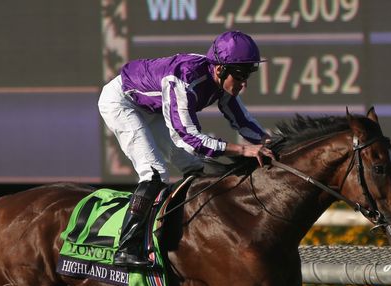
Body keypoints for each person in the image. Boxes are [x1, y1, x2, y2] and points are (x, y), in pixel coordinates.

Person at [98, 30, 274, 268]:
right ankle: (126, 248)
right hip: (121, 103)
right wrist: (244, 150)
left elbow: (242, 121)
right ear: (220, 69)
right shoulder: (182, 79)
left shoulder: (220, 76)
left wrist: (269, 143)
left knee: (196, 168)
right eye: (241, 76)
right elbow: (187, 138)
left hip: (153, 108)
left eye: (248, 75)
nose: (244, 84)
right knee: (155, 173)